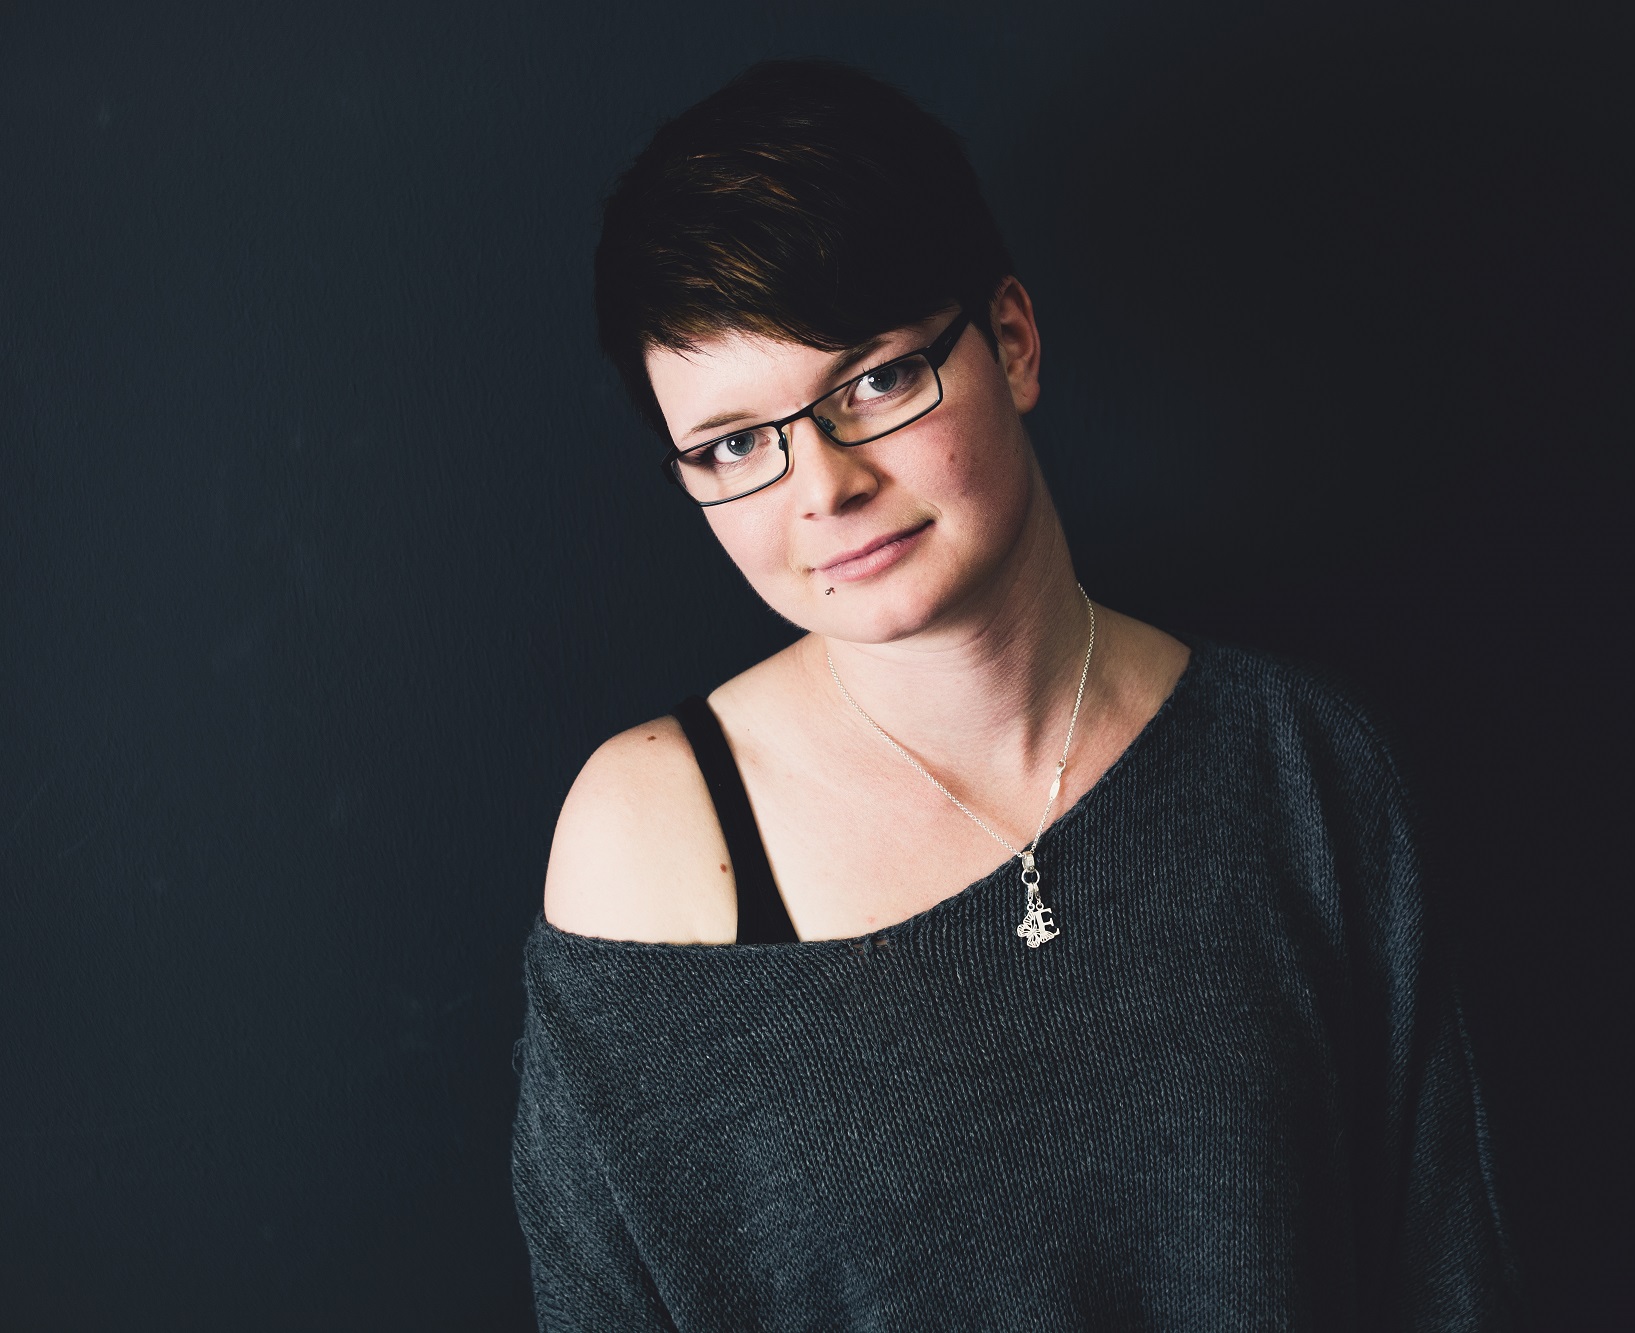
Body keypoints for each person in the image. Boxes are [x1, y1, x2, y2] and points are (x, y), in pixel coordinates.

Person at [511, 57, 1521, 1331]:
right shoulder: (651, 840)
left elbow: (1444, 1282)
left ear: (1012, 342)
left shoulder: (1302, 770)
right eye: (734, 444)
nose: (823, 488)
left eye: (873, 380)